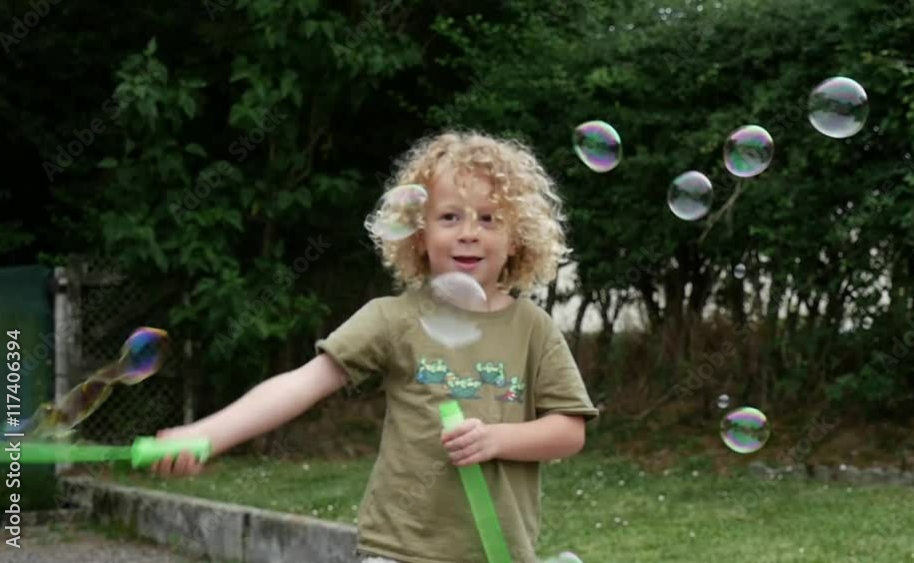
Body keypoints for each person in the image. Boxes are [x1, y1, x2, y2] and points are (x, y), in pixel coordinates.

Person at [153, 130, 599, 563]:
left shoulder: (533, 328)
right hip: (397, 550)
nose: (469, 232)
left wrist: (497, 439)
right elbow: (301, 384)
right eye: (449, 217)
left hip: (498, 553)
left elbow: (569, 431)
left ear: (517, 238)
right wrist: (207, 434)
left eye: (488, 218)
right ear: (418, 234)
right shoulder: (393, 318)